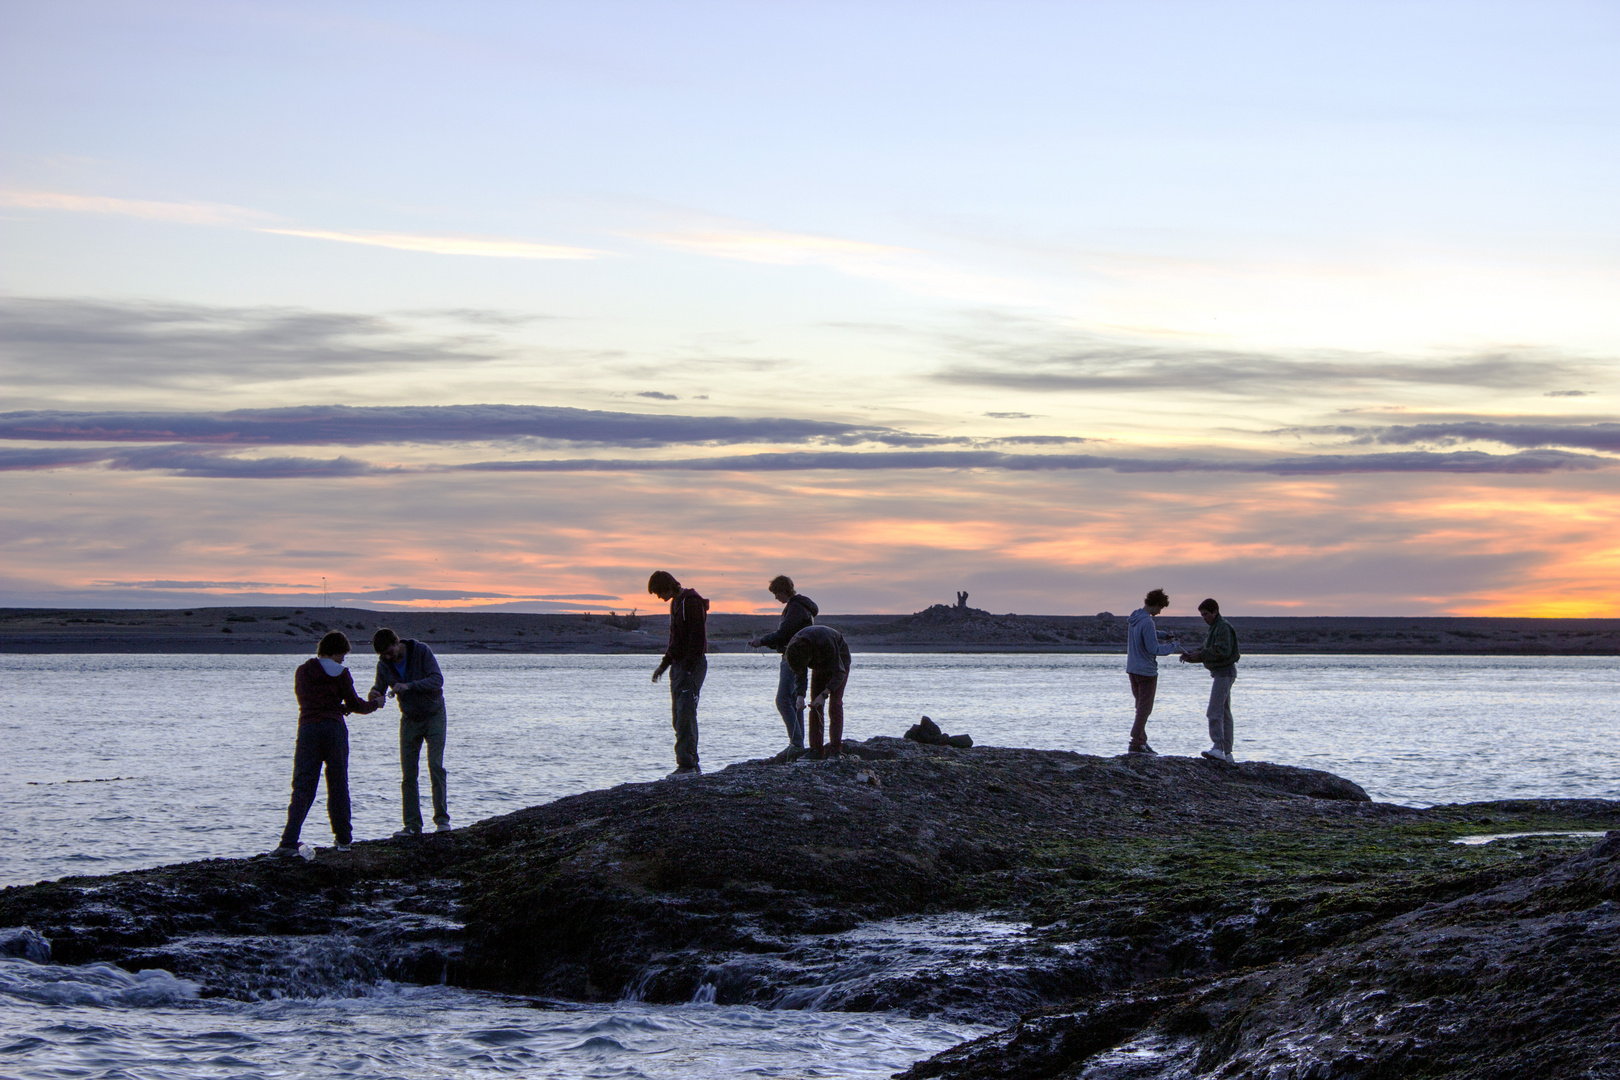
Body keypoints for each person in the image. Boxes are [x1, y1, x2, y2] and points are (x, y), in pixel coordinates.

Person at [273, 632, 380, 856]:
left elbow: (312, 704)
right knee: (338, 784)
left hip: (308, 730)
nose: (343, 659)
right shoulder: (341, 673)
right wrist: (375, 704)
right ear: (336, 651)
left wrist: (336, 709)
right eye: (343, 654)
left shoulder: (302, 671)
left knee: (303, 786)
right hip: (334, 731)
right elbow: (355, 704)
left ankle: (288, 840)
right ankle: (343, 840)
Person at [369, 627, 450, 836]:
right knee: (408, 774)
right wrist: (374, 693)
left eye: (390, 652)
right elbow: (379, 685)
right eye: (384, 655)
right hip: (409, 719)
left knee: (435, 766)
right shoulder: (384, 664)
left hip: (434, 714)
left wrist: (410, 686)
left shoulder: (422, 651)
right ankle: (412, 826)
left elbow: (437, 680)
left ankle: (442, 821)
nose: (388, 657)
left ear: (397, 643)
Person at [748, 574, 819, 757]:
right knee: (796, 701)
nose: (776, 598)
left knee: (782, 700)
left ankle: (796, 743)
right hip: (800, 658)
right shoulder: (803, 607)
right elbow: (785, 635)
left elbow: (783, 634)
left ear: (783, 590)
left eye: (776, 594)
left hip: (792, 658)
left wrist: (761, 641)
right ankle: (799, 744)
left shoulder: (795, 608)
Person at [649, 570, 709, 776]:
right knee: (679, 715)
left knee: (685, 713)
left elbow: (697, 638)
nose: (659, 597)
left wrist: (690, 668)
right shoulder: (676, 604)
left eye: (658, 592)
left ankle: (688, 764)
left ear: (668, 586)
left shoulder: (690, 603)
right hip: (679, 666)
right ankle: (688, 761)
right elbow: (675, 641)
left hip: (691, 665)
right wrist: (663, 666)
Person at [1180, 597, 1241, 763]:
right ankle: (1227, 753)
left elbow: (1222, 651)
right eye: (1202, 615)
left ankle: (1218, 748)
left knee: (1214, 711)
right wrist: (1191, 656)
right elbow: (1206, 650)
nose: (1204, 618)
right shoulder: (1215, 628)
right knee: (1225, 713)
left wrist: (1199, 655)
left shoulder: (1223, 628)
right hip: (1222, 673)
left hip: (1224, 673)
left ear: (1215, 611)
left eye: (1206, 614)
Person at [784, 624, 851, 760]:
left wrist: (825, 693)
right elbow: (800, 673)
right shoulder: (794, 648)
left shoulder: (825, 641)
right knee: (815, 706)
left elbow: (839, 673)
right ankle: (816, 750)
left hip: (840, 663)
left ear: (809, 657)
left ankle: (835, 750)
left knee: (835, 706)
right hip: (820, 665)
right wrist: (800, 696)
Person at [1125, 588, 1178, 755]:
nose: (1160, 612)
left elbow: (1148, 635)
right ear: (1155, 604)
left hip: (1132, 669)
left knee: (1140, 706)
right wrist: (1173, 646)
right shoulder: (1147, 621)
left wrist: (1163, 635)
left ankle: (1140, 742)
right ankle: (1136, 739)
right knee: (1145, 708)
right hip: (1146, 672)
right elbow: (1154, 648)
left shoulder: (1135, 618)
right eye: (1160, 608)